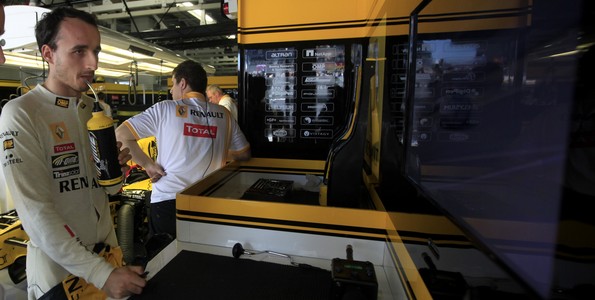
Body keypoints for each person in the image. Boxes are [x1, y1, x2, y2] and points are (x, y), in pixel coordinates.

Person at [0, 7, 146, 299]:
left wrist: (115, 173)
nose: (93, 62)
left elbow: (108, 191)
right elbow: (37, 214)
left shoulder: (94, 109)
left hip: (108, 257)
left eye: (96, 51)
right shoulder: (21, 114)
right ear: (48, 54)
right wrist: (101, 274)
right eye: (79, 51)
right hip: (60, 274)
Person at [116, 60, 251, 239]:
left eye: (173, 84)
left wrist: (148, 165)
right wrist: (212, 149)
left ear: (183, 83)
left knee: (168, 259)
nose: (171, 90)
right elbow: (244, 154)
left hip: (168, 202)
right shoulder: (224, 114)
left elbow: (121, 134)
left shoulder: (165, 109)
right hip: (210, 201)